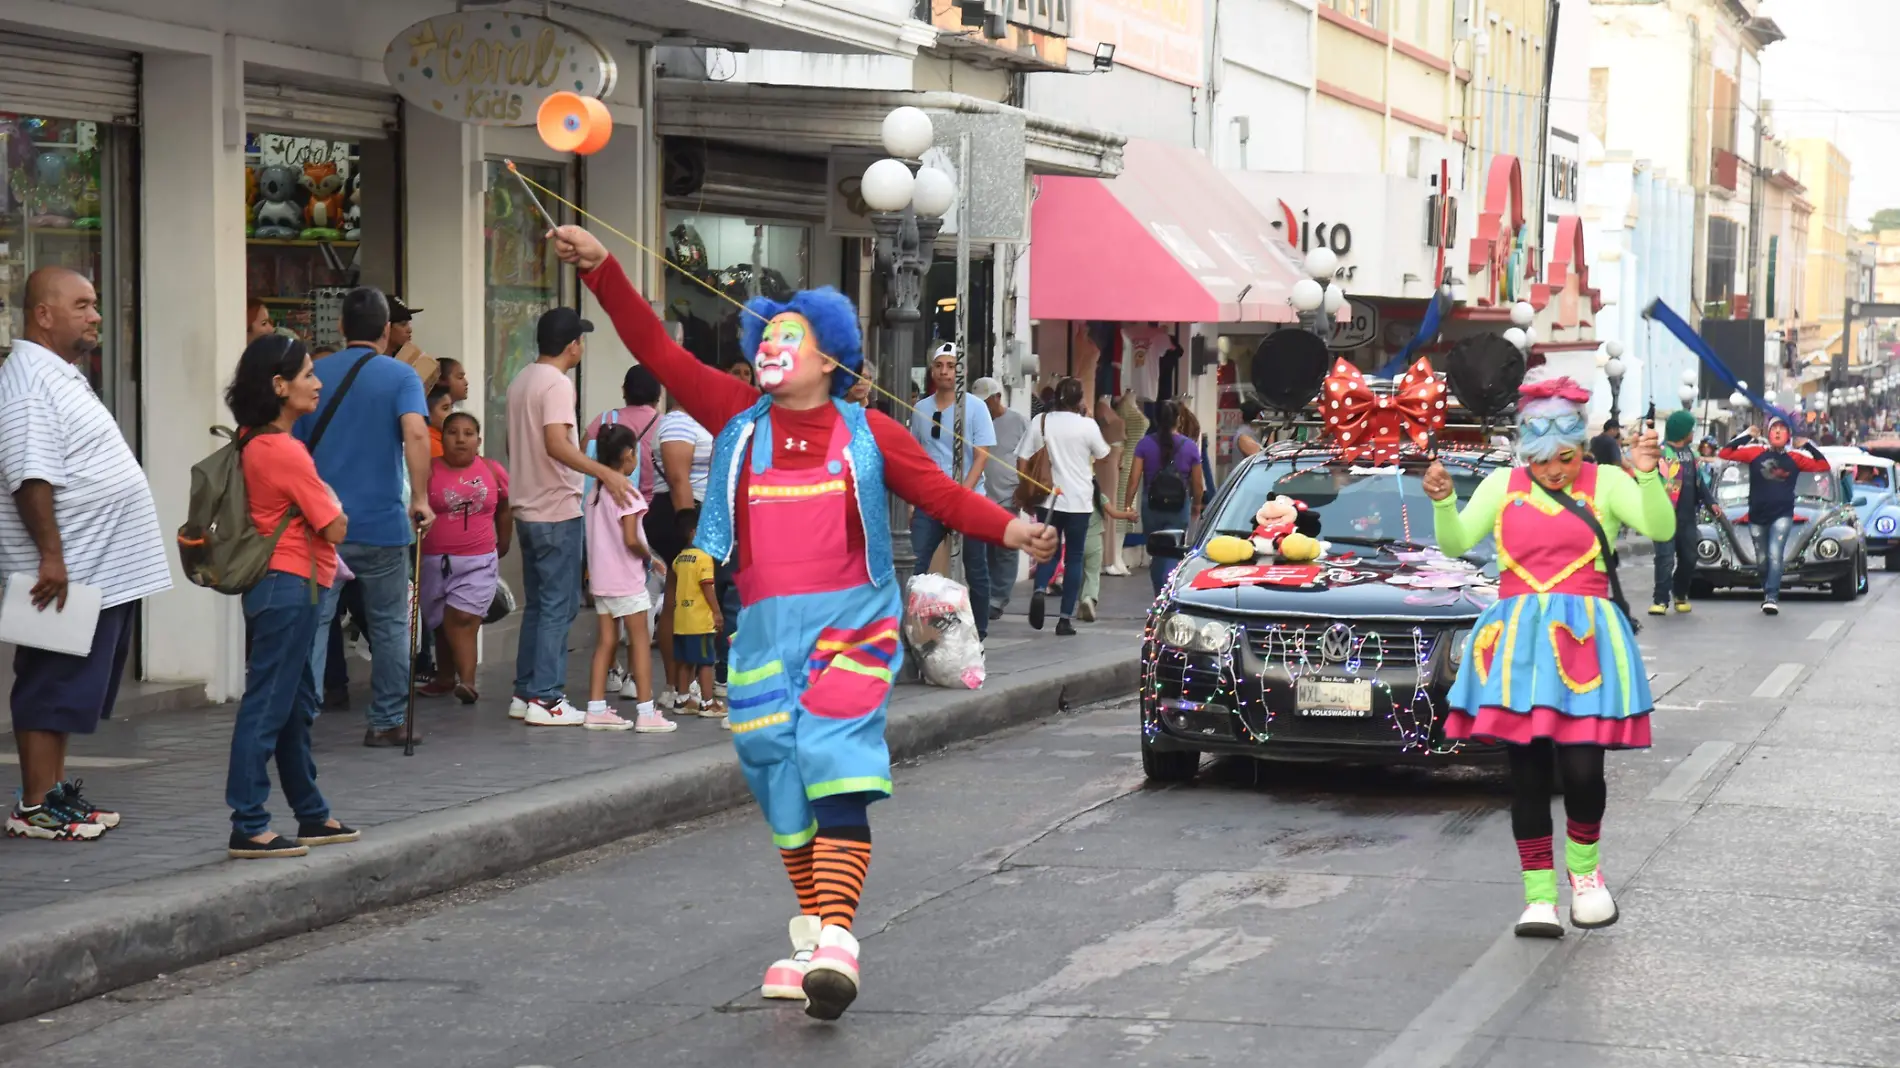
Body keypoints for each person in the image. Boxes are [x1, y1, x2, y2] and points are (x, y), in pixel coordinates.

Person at [556, 223, 1054, 1021]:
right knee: (774, 769)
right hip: (762, 632)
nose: (775, 347)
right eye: (769, 335)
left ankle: (839, 938)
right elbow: (656, 349)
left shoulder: (872, 433)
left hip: (851, 626)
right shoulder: (735, 414)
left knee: (831, 753)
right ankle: (816, 933)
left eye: (794, 337)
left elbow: (943, 496)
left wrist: (1011, 529)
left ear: (830, 358)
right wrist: (604, 269)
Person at [1424, 370, 1672, 938]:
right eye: (1541, 460)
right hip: (1520, 646)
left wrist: (1649, 474)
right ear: (1524, 452)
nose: (1555, 470)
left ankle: (1586, 879)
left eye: (1565, 456)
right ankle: (1538, 896)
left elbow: (1658, 527)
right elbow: (1458, 544)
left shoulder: (1606, 481)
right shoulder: (1501, 486)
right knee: (1529, 772)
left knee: (1583, 770)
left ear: (1580, 446)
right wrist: (1442, 503)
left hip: (1586, 644)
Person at [0, 267, 170, 841]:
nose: (96, 315)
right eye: (82, 305)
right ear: (43, 314)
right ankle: (35, 807)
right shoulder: (28, 382)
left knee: (68, 690)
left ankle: (56, 797)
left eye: (95, 304)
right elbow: (29, 476)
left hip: (93, 567)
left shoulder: (58, 374)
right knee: (50, 686)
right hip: (67, 569)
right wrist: (52, 556)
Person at [221, 334, 358, 858]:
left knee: (294, 706)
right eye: (307, 374)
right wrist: (331, 512)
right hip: (290, 584)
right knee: (269, 706)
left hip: (285, 585)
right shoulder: (282, 449)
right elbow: (337, 525)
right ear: (279, 386)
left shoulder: (251, 440)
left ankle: (311, 813)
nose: (317, 382)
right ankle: (249, 822)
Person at [294, 287, 435, 748]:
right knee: (391, 624)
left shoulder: (313, 374)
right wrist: (420, 497)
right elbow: (415, 433)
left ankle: (301, 721)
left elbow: (291, 445)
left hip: (321, 524)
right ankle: (388, 720)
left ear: (340, 327)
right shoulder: (401, 377)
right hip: (382, 526)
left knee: (314, 625)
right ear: (386, 331)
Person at [504, 308, 635, 726]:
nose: (583, 345)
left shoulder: (522, 379)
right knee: (557, 608)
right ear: (571, 344)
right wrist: (604, 473)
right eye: (581, 339)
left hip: (526, 505)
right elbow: (557, 444)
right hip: (556, 508)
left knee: (540, 607)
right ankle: (546, 698)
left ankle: (526, 694)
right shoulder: (557, 384)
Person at [417, 412, 511, 704]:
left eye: (468, 433)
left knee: (463, 617)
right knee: (440, 621)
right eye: (453, 432)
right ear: (441, 438)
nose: (460, 439)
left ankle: (468, 683)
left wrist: (503, 543)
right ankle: (445, 678)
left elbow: (506, 507)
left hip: (478, 561)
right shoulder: (426, 471)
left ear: (479, 441)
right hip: (434, 561)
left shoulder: (492, 470)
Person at [907, 342, 997, 638]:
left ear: (962, 371)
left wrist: (964, 492)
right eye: (939, 365)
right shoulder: (921, 408)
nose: (945, 371)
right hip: (931, 498)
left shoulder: (976, 407)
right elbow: (916, 456)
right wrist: (913, 502)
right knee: (915, 564)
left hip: (967, 498)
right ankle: (910, 631)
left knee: (976, 568)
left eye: (951, 366)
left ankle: (979, 632)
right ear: (931, 370)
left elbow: (981, 455)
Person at [584, 423, 669, 732]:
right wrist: (651, 559)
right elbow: (632, 539)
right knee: (640, 642)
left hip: (602, 579)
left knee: (607, 641)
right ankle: (646, 712)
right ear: (627, 454)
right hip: (626, 578)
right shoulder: (627, 492)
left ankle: (595, 708)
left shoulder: (596, 491)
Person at [1018, 377, 1110, 635]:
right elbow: (1103, 455)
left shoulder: (1041, 421)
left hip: (1048, 499)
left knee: (1048, 551)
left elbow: (1022, 459)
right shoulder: (1087, 426)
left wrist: (1026, 491)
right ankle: (1064, 619)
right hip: (1079, 501)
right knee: (1075, 558)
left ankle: (1038, 589)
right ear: (1080, 400)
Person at [1718, 417, 1830, 615]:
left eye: (1782, 429)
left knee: (1775, 553)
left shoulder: (1795, 458)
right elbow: (1725, 453)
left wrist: (1808, 446)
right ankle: (1767, 588)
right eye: (1774, 429)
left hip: (1783, 515)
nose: (1777, 432)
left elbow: (1823, 466)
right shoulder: (1755, 453)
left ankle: (1771, 596)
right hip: (1757, 515)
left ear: (1788, 436)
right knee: (1761, 560)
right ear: (1768, 434)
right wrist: (1746, 437)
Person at [652, 400, 716, 709]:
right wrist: (692, 532)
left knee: (685, 600)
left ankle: (683, 686)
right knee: (680, 600)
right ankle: (676, 687)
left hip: (695, 516)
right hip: (684, 516)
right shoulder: (678, 421)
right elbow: (679, 480)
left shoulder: (699, 417)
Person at [1123, 399, 1204, 594]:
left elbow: (1133, 479)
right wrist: (1197, 505)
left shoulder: (1144, 444)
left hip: (1151, 506)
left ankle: (1159, 592)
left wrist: (1127, 506)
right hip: (1179, 507)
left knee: (1157, 553)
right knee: (1172, 551)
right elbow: (1198, 484)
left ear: (1156, 419)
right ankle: (1167, 592)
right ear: (1178, 419)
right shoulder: (1190, 447)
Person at [974, 377, 1027, 620]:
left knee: (1005, 549)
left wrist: (1024, 489)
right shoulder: (972, 420)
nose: (984, 408)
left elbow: (1031, 454)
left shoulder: (1017, 421)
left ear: (997, 397)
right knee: (982, 550)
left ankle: (998, 599)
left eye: (987, 402)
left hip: (1008, 495)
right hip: (981, 496)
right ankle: (984, 596)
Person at [668, 508, 722, 719]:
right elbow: (707, 586)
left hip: (681, 620)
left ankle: (682, 700)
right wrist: (716, 612)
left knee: (684, 662)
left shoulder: (679, 559)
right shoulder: (703, 558)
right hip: (700, 621)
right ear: (694, 531)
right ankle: (708, 703)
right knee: (706, 662)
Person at [1650, 410, 1704, 616]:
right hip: (1664, 515)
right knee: (1665, 558)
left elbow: (1701, 485)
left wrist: (1711, 503)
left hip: (1688, 517)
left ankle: (1680, 594)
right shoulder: (1661, 453)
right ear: (1682, 430)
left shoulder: (1693, 454)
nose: (1693, 432)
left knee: (1689, 557)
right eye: (1690, 428)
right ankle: (1660, 599)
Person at [1095, 395, 1130, 576]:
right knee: (1106, 507)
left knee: (1110, 507)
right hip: (1106, 460)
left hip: (1114, 460)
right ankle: (1104, 559)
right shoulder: (1101, 409)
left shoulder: (1108, 408)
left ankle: (1108, 558)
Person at [426, 385, 453, 458]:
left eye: (452, 407)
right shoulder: (431, 444)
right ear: (428, 413)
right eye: (445, 408)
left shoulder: (443, 439)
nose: (451, 413)